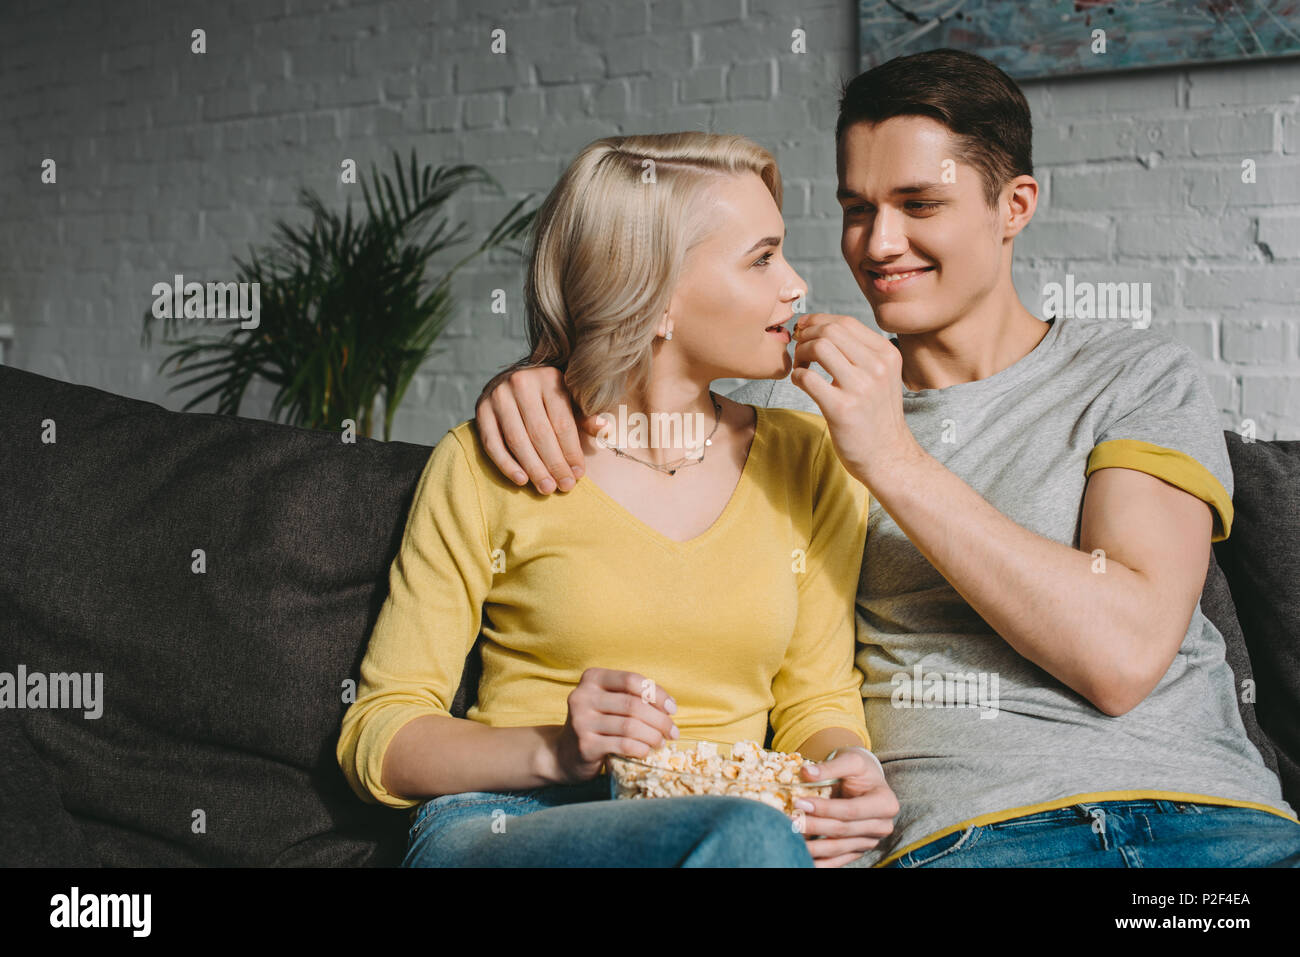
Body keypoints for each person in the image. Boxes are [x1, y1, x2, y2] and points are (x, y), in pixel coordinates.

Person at [472, 49, 1300, 868]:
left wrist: (892, 458)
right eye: (857, 208)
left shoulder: (1135, 376)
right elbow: (640, 376)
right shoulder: (790, 417)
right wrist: (539, 380)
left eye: (919, 203)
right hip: (972, 839)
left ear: (1014, 206)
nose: (878, 243)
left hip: (1219, 828)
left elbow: (1121, 658)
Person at [336, 131, 900, 868]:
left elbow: (815, 700)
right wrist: (557, 750)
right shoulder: (489, 462)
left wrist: (846, 768)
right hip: (504, 824)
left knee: (752, 837)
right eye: (762, 258)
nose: (795, 285)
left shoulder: (810, 458)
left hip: (727, 827)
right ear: (656, 294)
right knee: (750, 837)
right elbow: (378, 737)